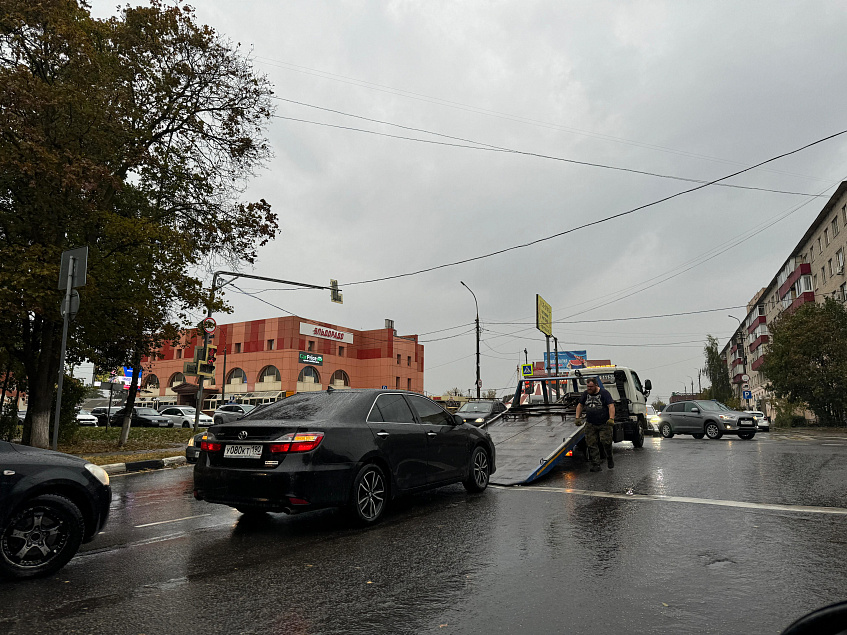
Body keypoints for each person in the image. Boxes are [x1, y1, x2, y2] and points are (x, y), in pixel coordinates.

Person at [574, 377, 616, 472]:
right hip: (591, 423)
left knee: (606, 442)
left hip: (604, 423)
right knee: (591, 444)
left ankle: (609, 458)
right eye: (588, 386)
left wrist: (611, 418)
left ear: (596, 385)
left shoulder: (604, 393)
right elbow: (580, 405)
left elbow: (611, 406)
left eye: (591, 387)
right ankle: (596, 464)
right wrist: (577, 418)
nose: (589, 389)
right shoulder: (586, 394)